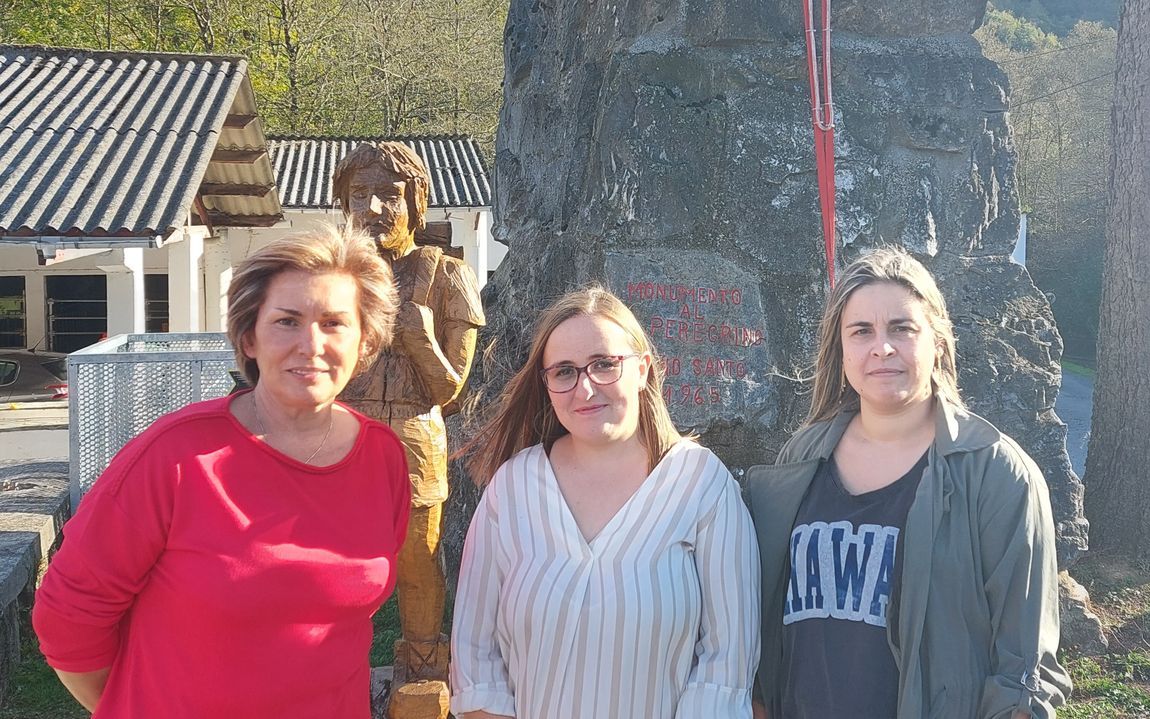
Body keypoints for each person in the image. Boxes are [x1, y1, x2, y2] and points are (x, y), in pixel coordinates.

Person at [33, 225, 410, 718]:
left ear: (365, 344)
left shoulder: (382, 457)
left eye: (335, 322)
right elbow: (68, 619)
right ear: (249, 338)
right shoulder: (176, 456)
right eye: (287, 321)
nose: (311, 344)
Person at [744, 247, 1071, 719]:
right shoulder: (799, 459)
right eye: (862, 331)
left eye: (902, 328)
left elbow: (1025, 671)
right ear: (841, 350)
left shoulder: (996, 474)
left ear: (936, 340)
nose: (882, 347)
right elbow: (767, 626)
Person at [451, 286, 760, 719]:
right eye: (564, 372)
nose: (586, 387)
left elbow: (725, 667)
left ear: (643, 370)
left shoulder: (701, 485)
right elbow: (475, 659)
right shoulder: (513, 488)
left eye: (604, 365)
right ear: (547, 385)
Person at [332, 141, 485, 717]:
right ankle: (333, 658)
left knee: (418, 560)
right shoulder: (334, 278)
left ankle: (423, 661)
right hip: (343, 442)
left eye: (389, 196)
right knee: (338, 557)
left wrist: (416, 331)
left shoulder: (448, 274)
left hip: (416, 443)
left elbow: (451, 389)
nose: (373, 208)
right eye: (359, 196)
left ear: (416, 204)